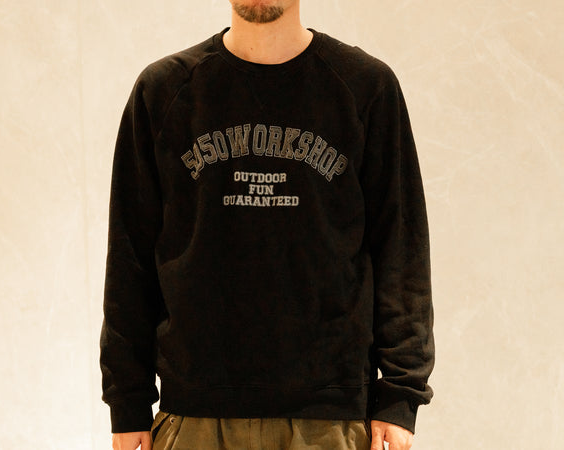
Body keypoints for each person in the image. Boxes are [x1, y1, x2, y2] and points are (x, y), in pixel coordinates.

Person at [99, 0, 435, 449]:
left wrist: (399, 395)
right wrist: (127, 401)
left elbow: (401, 249)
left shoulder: (365, 88)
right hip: (195, 416)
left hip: (330, 421)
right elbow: (130, 259)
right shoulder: (163, 92)